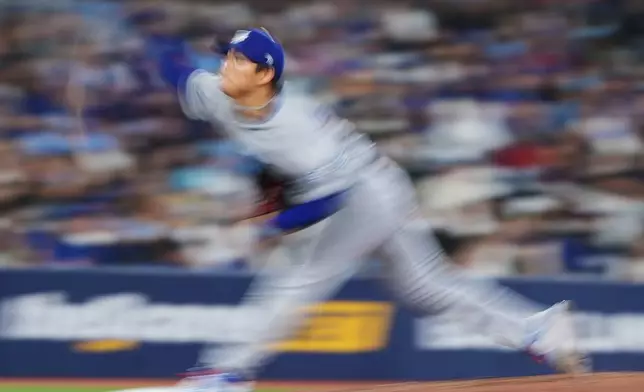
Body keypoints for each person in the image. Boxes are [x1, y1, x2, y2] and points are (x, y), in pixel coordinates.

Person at [154, 28, 587, 392]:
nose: (225, 65)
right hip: (370, 180)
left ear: (265, 74)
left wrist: (276, 225)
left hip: (363, 193)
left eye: (237, 59)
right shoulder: (216, 93)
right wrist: (159, 39)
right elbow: (176, 71)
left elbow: (328, 200)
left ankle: (226, 373)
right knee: (426, 288)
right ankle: (537, 329)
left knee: (296, 274)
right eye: (225, 56)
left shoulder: (297, 128)